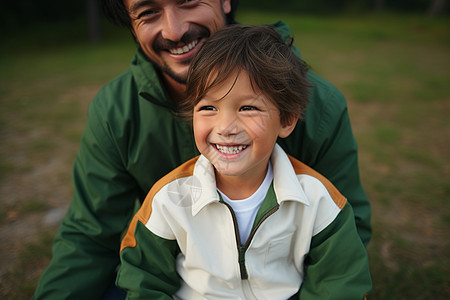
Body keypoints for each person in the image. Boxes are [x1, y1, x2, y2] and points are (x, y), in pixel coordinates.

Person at [32, 0, 371, 298]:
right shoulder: (117, 115)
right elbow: (91, 241)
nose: (174, 30)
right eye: (149, 12)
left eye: (188, 0)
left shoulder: (320, 107)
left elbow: (343, 240)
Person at [116, 24, 372, 299]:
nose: (225, 127)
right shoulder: (169, 199)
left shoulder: (317, 199)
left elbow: (339, 282)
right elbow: (143, 279)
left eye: (248, 108)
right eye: (208, 108)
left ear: (286, 120)